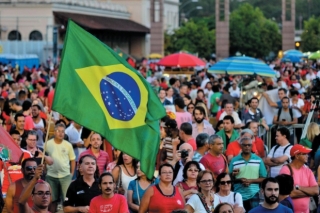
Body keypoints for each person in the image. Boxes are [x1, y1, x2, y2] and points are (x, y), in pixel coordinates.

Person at [229, 137, 267, 212]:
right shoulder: (234, 160)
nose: (247, 147)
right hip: (238, 194)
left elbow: (264, 178)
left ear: (252, 146)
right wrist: (235, 176)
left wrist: (250, 181)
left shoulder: (258, 160)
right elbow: (229, 178)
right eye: (245, 145)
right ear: (241, 146)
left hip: (254, 193)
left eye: (249, 145)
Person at [45, 123, 76, 213]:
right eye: (58, 131)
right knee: (52, 200)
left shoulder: (68, 145)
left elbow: (73, 160)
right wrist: (45, 172)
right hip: (51, 176)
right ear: (54, 132)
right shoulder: (47, 144)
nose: (61, 133)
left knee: (65, 200)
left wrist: (71, 174)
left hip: (65, 176)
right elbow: (43, 159)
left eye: (63, 131)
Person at [279, 144, 319, 213]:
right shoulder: (286, 169)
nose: (307, 156)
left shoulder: (307, 170)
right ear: (297, 156)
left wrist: (298, 187)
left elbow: (316, 191)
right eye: (304, 154)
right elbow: (289, 193)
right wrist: (309, 192)